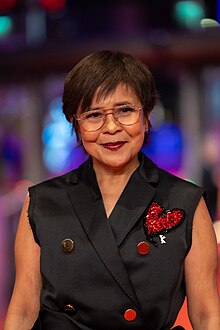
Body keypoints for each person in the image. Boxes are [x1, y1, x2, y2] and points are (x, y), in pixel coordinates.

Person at [3, 50, 220, 330]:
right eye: (94, 115)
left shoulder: (185, 201)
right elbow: (22, 311)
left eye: (125, 111)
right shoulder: (42, 202)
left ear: (146, 116)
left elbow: (207, 316)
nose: (111, 127)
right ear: (76, 124)